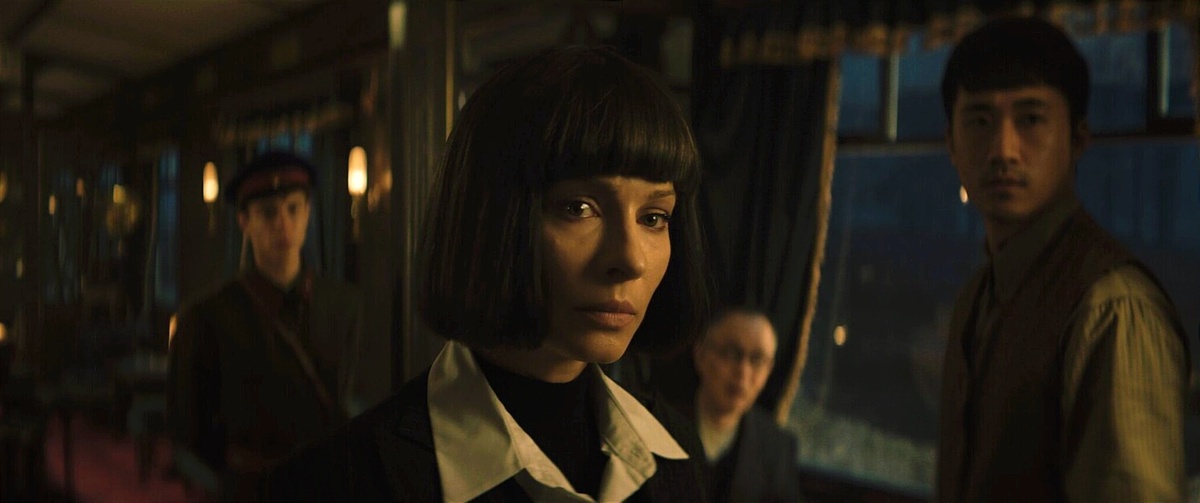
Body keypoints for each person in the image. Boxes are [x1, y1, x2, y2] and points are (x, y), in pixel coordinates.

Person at [263, 45, 713, 502]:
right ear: (493, 217)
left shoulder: (676, 454)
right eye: (579, 208)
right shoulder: (339, 481)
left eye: (653, 217)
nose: (632, 260)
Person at [937, 17, 1190, 502]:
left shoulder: (1111, 308)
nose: (1003, 151)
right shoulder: (977, 296)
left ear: (1077, 138)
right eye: (980, 121)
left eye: (1031, 120)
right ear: (951, 142)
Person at [167, 151, 365, 499]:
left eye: (293, 208)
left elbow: (356, 399)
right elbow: (189, 424)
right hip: (250, 487)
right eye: (268, 212)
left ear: (308, 213)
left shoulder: (343, 304)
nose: (282, 223)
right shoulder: (209, 315)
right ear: (244, 221)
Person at [692, 308, 801, 503]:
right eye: (732, 353)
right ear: (701, 354)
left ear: (769, 370)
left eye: (757, 360)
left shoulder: (777, 448)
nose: (743, 372)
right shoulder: (659, 421)